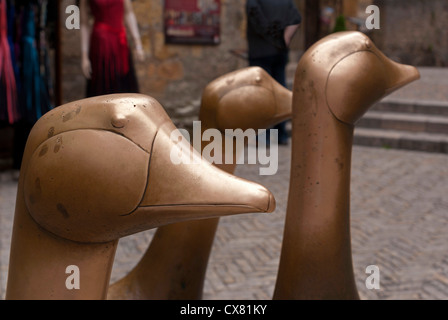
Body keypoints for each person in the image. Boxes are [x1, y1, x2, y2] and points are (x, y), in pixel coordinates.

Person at [246, 0, 301, 145]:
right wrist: (285, 39)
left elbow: (256, 21)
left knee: (261, 93)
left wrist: (270, 38)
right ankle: (281, 134)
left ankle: (263, 135)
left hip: (261, 51)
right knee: (279, 90)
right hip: (279, 52)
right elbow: (295, 19)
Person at [80, 0, 144, 97]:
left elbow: (129, 13)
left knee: (124, 89)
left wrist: (138, 44)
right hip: (100, 46)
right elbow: (84, 24)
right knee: (101, 90)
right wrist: (84, 56)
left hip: (119, 44)